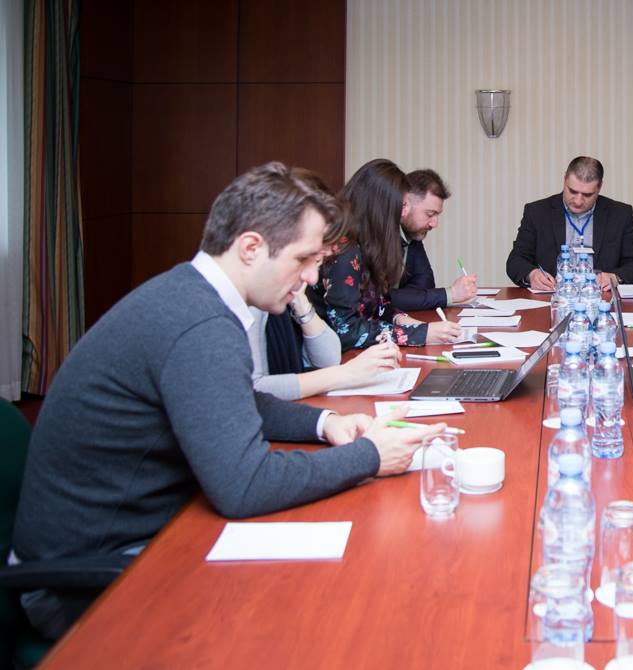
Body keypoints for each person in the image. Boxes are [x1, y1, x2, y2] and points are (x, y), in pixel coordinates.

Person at [11, 163, 443, 638]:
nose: (311, 276)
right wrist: (371, 456)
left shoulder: (194, 297)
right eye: (303, 259)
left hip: (140, 534)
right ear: (251, 247)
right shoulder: (201, 324)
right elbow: (245, 486)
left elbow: (246, 400)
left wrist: (324, 424)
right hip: (90, 579)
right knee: (327, 613)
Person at [250, 170, 402, 400]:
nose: (313, 277)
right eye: (306, 257)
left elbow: (328, 358)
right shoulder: (249, 300)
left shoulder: (284, 290)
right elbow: (253, 391)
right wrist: (345, 375)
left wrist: (301, 303)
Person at [310, 159, 462, 347]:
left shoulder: (369, 244)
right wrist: (420, 334)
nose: (405, 212)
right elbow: (347, 331)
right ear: (380, 207)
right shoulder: (344, 250)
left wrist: (401, 319)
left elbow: (376, 305)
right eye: (403, 205)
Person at [505, 156, 633, 290]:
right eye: (572, 191)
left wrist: (615, 277)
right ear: (564, 179)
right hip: (552, 298)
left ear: (600, 187)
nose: (578, 201)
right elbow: (516, 260)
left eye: (587, 195)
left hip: (600, 298)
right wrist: (532, 275)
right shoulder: (537, 212)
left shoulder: (620, 214)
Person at [389, 168, 478, 311]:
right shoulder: (380, 235)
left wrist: (406, 297)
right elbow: (382, 299)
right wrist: (451, 294)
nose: (434, 224)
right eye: (430, 214)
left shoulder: (413, 235)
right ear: (404, 205)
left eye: (437, 215)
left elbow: (426, 285)